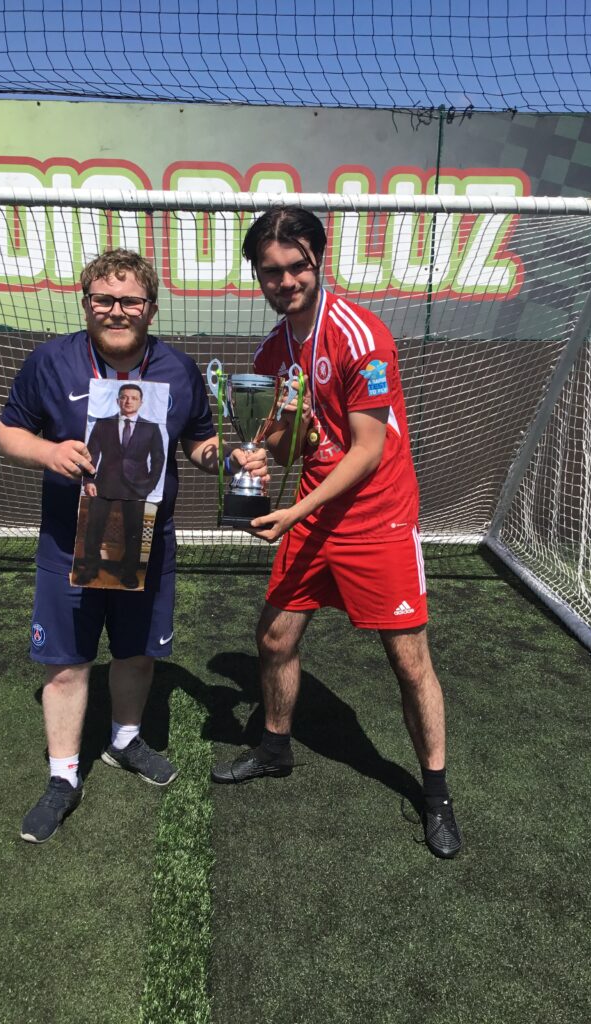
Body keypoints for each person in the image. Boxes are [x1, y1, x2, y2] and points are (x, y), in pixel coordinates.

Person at [210, 206, 462, 859]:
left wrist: (292, 511)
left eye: (297, 266)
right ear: (258, 276)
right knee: (273, 636)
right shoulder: (275, 348)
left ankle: (434, 793)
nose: (286, 280)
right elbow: (293, 443)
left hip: (376, 517)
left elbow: (367, 450)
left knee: (408, 663)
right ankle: (273, 747)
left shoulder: (363, 335)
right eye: (272, 271)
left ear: (319, 262)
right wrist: (262, 448)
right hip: (316, 510)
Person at [0, 248, 267, 844]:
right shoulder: (51, 361)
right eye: (104, 299)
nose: (116, 311)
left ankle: (124, 739)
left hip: (149, 541)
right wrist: (48, 452)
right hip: (70, 543)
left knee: (137, 654)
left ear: (150, 306)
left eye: (130, 300)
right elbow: (7, 430)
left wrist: (231, 458)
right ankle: (63, 776)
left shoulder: (177, 369)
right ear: (86, 301)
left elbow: (198, 443)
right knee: (66, 666)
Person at [78, 383, 165, 588]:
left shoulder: (151, 428)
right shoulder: (103, 423)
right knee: (93, 528)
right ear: (118, 400)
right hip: (104, 484)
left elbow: (159, 459)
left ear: (141, 402)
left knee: (134, 532)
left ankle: (128, 573)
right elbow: (92, 454)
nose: (128, 401)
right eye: (124, 397)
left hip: (137, 487)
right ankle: (90, 569)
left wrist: (149, 485)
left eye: (133, 398)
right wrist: (89, 480)